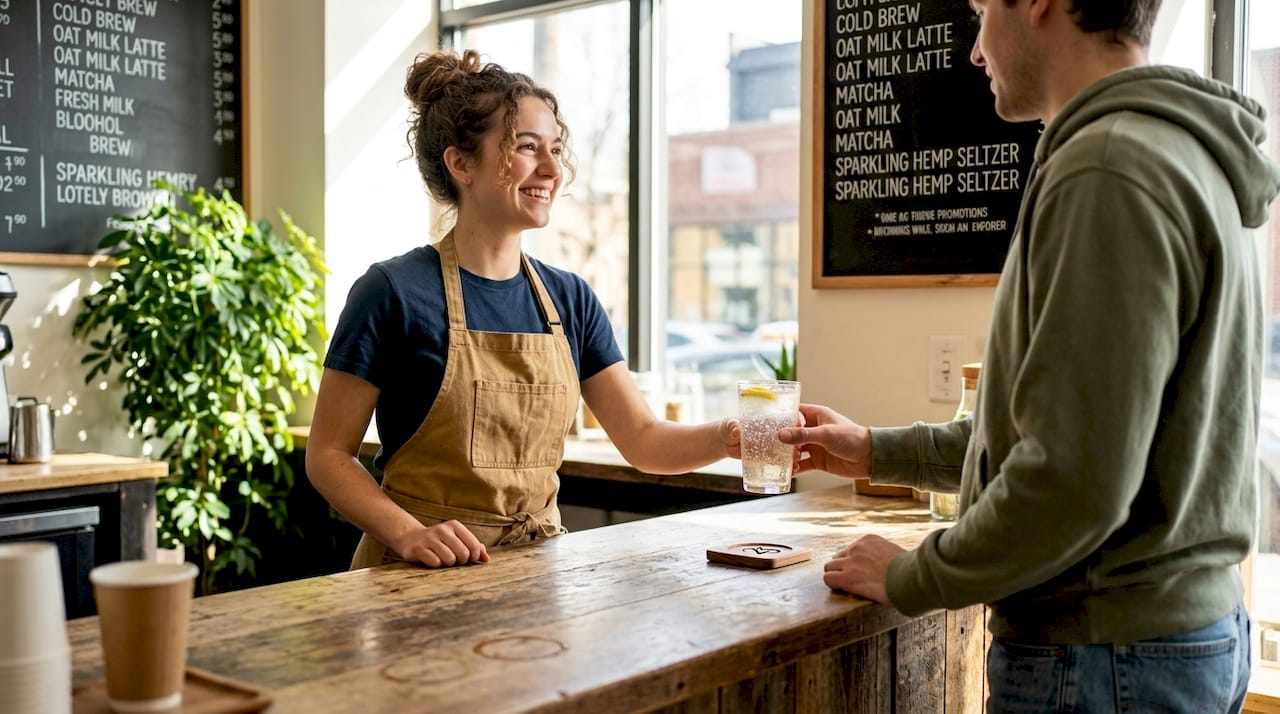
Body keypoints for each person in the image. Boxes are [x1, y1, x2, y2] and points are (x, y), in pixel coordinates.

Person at [779, 0, 1280, 711]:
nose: (976, 51)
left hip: (1104, 656)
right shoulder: (1176, 152)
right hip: (1166, 640)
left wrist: (911, 575)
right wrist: (874, 451)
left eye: (983, 10)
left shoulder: (1105, 169)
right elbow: (1074, 436)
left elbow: (1072, 482)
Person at [306, 50, 739, 571]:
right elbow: (328, 455)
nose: (553, 169)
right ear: (461, 163)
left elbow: (643, 441)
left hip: (535, 576)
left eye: (555, 149)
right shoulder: (391, 291)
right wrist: (409, 534)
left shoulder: (570, 299)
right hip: (414, 576)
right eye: (527, 148)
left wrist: (728, 437)